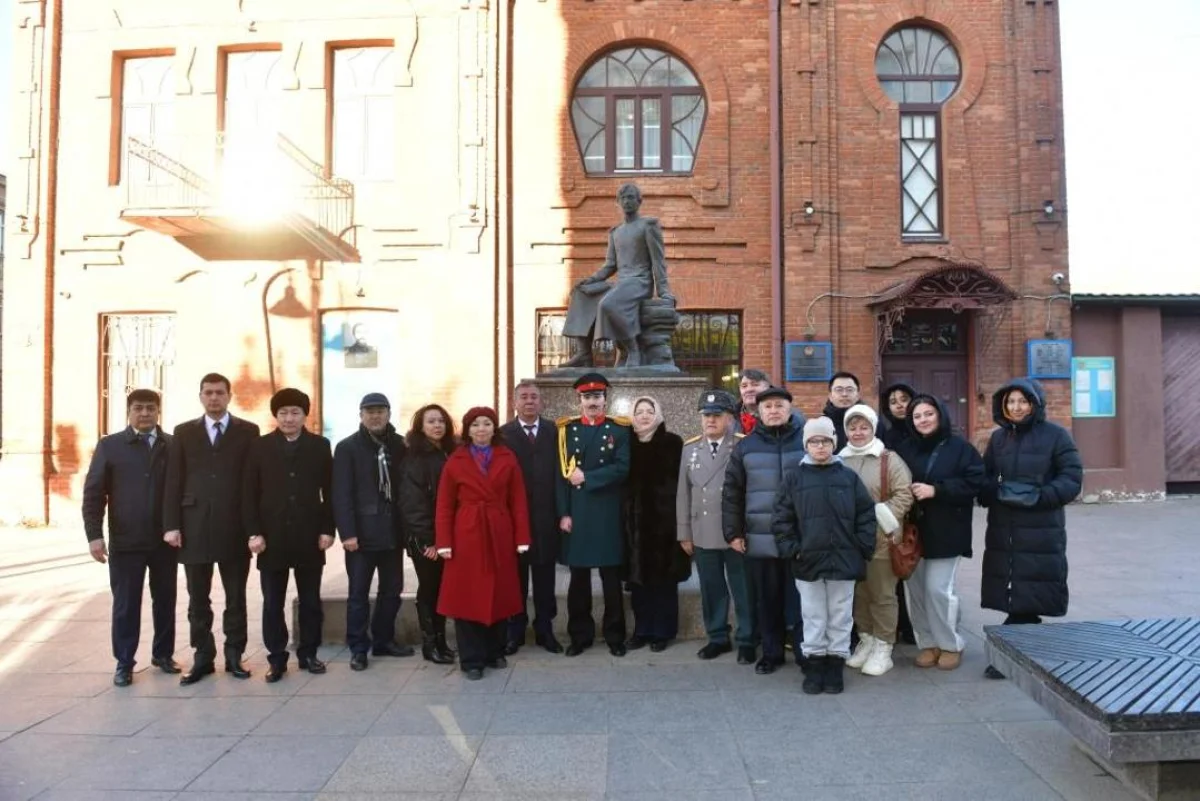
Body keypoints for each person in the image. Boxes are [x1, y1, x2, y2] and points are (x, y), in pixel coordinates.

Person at [980, 378, 1083, 679]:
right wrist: (989, 492)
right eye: (1011, 402)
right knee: (1012, 579)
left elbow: (1072, 477)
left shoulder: (1056, 436)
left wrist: (1039, 497)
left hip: (1040, 523)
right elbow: (986, 474)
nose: (1016, 407)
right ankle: (1022, 637)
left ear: (1035, 403)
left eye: (1022, 401)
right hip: (1005, 522)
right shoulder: (999, 438)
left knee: (1032, 578)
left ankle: (1014, 647)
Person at [164, 373, 260, 685]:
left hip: (234, 526)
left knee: (236, 598)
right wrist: (171, 525)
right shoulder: (183, 432)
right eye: (208, 393)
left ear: (230, 395)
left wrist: (254, 529)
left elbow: (251, 484)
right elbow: (174, 480)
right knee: (197, 600)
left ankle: (234, 656)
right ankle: (203, 657)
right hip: (194, 527)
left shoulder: (248, 431)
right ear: (201, 396)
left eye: (220, 392)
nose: (214, 398)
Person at [772, 417, 876, 694]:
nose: (820, 447)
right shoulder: (794, 477)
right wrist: (792, 550)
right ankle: (815, 662)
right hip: (807, 560)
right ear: (806, 445)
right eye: (814, 442)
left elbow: (866, 514)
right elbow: (782, 518)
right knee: (814, 614)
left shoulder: (848, 477)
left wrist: (863, 546)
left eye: (825, 441)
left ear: (833, 442)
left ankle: (835, 663)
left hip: (844, 559)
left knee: (840, 614)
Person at [81, 388, 177, 687]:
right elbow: (94, 493)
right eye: (139, 408)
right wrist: (95, 536)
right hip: (126, 541)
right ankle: (124, 662)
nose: (145, 413)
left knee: (165, 600)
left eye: (151, 408)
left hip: (165, 541)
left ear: (158, 411)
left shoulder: (172, 445)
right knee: (125, 603)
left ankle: (163, 655)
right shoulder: (110, 446)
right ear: (129, 411)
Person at [243, 389, 334, 682]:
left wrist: (327, 530)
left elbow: (330, 492)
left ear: (305, 415)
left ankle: (308, 653)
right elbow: (248, 495)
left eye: (295, 412)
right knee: (273, 602)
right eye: (283, 413)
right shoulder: (259, 447)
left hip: (309, 536)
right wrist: (254, 532)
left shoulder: (320, 446)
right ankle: (277, 658)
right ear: (276, 416)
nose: (289, 418)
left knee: (310, 601)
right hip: (272, 537)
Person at [435, 407, 531, 680]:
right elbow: (444, 505)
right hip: (467, 533)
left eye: (486, 423)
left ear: (494, 428)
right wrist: (444, 541)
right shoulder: (456, 460)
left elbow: (518, 500)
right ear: (467, 430)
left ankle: (494, 651)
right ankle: (471, 659)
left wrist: (522, 536)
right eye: (475, 424)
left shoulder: (507, 457)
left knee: (499, 593)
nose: (481, 429)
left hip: (499, 530)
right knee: (468, 596)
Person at [894, 394, 986, 671]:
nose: (923, 420)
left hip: (947, 529)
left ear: (940, 415)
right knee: (916, 593)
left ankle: (950, 644)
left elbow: (976, 483)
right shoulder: (905, 447)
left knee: (938, 590)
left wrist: (937, 490)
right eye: (917, 416)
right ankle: (928, 643)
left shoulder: (960, 448)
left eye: (928, 414)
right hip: (913, 532)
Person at [722, 385, 806, 675]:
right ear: (758, 411)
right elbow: (732, 491)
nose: (773, 411)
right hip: (760, 539)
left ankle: (803, 650)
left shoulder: (806, 442)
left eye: (779, 406)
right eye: (767, 407)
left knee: (800, 601)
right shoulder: (746, 446)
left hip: (799, 539)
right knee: (767, 600)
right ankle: (771, 653)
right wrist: (733, 533)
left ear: (789, 409)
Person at [332, 392, 413, 671]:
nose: (375, 415)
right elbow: (341, 494)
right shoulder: (347, 448)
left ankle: (383, 639)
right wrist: (347, 533)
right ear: (361, 415)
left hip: (392, 532)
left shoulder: (401, 445)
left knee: (392, 590)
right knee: (358, 594)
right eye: (369, 411)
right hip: (361, 535)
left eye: (380, 410)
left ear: (389, 413)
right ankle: (358, 647)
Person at [560, 183, 676, 368]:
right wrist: (591, 280)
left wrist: (664, 291)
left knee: (608, 304)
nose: (627, 202)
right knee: (580, 294)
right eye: (623, 198)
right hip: (621, 284)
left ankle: (633, 348)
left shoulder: (648, 226)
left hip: (639, 283)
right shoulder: (616, 232)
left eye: (631, 197)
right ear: (618, 202)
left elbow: (658, 261)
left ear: (639, 201)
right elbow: (610, 265)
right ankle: (584, 354)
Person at [556, 372, 631, 657]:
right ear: (579, 400)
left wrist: (587, 476)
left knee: (611, 580)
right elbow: (559, 478)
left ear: (605, 399)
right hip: (578, 514)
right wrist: (563, 512)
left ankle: (615, 636)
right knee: (578, 582)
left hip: (607, 513)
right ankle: (580, 636)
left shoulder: (620, 430)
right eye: (587, 397)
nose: (592, 402)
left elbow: (622, 468)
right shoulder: (566, 430)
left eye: (597, 397)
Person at [678, 389, 754, 662]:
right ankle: (718, 636)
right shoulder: (690, 449)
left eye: (717, 415)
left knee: (742, 588)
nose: (710, 420)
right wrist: (684, 532)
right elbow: (683, 494)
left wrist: (746, 530)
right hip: (702, 531)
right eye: (706, 415)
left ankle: (747, 638)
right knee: (711, 589)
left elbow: (750, 492)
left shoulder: (743, 445)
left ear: (730, 419)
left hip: (735, 533)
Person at [838, 404, 914, 677]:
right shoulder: (840, 459)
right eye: (852, 427)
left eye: (864, 427)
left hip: (881, 538)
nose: (858, 433)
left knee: (882, 594)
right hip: (850, 541)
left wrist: (879, 517)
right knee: (859, 594)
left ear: (873, 428)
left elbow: (904, 494)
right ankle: (866, 640)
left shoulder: (887, 459)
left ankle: (884, 646)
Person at [499, 381, 562, 654]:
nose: (529, 401)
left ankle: (545, 629)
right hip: (514, 521)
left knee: (545, 578)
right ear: (514, 403)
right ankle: (515, 630)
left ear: (541, 402)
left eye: (534, 397)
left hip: (546, 520)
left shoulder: (554, 431)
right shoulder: (502, 434)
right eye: (523, 397)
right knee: (516, 578)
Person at [624, 396, 688, 652]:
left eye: (650, 411)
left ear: (658, 414)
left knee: (664, 582)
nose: (644, 416)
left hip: (665, 524)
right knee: (639, 582)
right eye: (639, 412)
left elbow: (683, 484)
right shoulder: (626, 444)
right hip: (634, 525)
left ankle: (662, 631)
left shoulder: (672, 443)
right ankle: (642, 630)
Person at [399, 403, 458, 665]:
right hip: (427, 540)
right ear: (420, 427)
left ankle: (442, 642)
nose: (437, 426)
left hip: (447, 537)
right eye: (431, 421)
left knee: (443, 589)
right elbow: (413, 504)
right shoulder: (415, 457)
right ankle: (430, 644)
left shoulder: (450, 452)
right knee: (429, 590)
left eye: (441, 421)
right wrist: (429, 541)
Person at [878, 381, 918, 644]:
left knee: (919, 573)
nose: (900, 405)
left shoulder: (925, 432)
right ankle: (902, 623)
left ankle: (917, 625)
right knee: (897, 567)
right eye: (893, 401)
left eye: (904, 398)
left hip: (924, 512)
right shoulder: (886, 439)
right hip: (896, 512)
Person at [822, 372, 861, 451]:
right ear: (830, 396)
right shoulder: (821, 424)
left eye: (850, 390)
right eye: (839, 390)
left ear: (858, 396)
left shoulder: (872, 423)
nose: (844, 394)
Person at [879, 382, 917, 452]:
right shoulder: (886, 438)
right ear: (888, 408)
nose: (899, 406)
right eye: (893, 402)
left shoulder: (924, 430)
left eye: (904, 400)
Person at [736, 368, 771, 435]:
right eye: (744, 386)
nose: (749, 389)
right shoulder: (730, 416)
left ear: (767, 388)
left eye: (755, 384)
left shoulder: (784, 415)